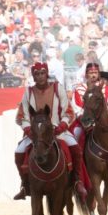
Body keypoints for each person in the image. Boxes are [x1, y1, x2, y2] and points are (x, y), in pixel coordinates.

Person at [13, 62, 88, 201]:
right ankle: (24, 184)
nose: (40, 76)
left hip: (57, 131)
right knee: (19, 151)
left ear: (46, 74)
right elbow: (21, 116)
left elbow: (69, 111)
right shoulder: (28, 92)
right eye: (37, 74)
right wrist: (29, 129)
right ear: (33, 76)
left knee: (76, 149)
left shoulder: (58, 88)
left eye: (42, 73)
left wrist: (61, 126)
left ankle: (77, 181)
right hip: (35, 133)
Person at [71, 63, 108, 175]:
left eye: (95, 73)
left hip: (104, 120)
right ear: (86, 74)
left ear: (98, 74)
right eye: (91, 73)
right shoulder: (79, 89)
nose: (93, 75)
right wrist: (83, 117)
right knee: (76, 134)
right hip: (86, 120)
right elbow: (76, 107)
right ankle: (77, 163)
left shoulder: (105, 88)